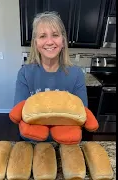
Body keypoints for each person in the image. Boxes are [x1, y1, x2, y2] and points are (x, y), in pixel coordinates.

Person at [13, 11, 88, 142]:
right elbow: (20, 114)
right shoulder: (25, 73)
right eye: (42, 36)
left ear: (63, 41)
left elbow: (81, 115)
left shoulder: (76, 74)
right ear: (35, 42)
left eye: (55, 35)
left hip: (66, 143)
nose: (49, 42)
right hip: (32, 142)